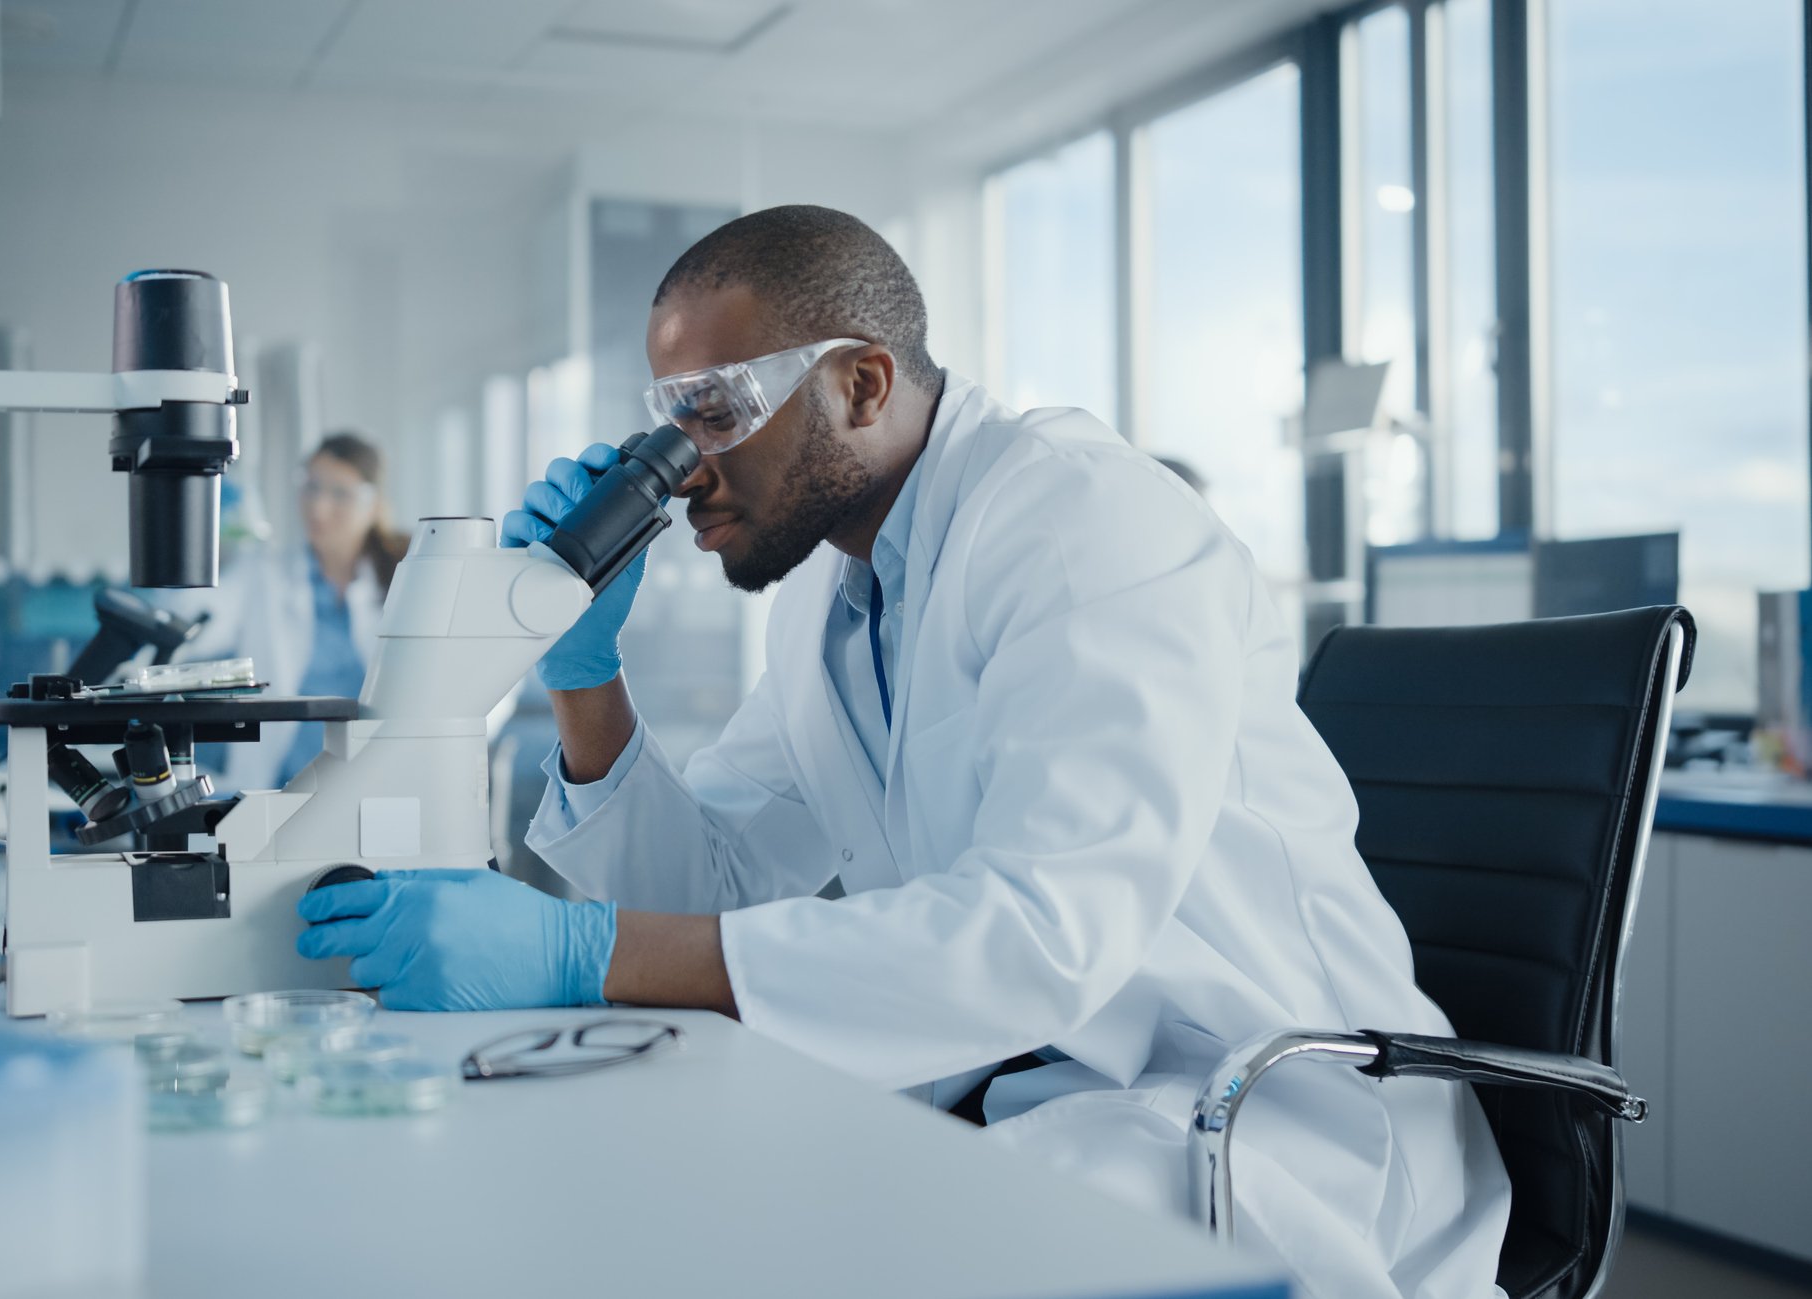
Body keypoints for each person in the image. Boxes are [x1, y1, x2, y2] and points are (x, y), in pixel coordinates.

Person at [295, 206, 1509, 1298]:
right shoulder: (830, 602)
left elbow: (1038, 934)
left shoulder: (1085, 521)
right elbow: (706, 896)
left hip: (1253, 1117)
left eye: (713, 411)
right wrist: (581, 675)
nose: (683, 476)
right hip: (1033, 1092)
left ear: (861, 384)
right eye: (666, 422)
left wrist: (576, 948)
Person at [173, 432, 407, 791]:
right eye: (311, 487)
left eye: (339, 493)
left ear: (373, 504)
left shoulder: (403, 578)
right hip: (283, 784)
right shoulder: (265, 572)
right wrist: (198, 536)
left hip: (376, 784)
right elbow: (190, 630)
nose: (318, 507)